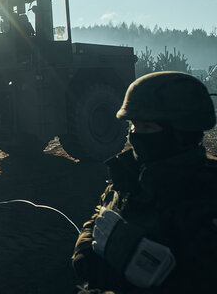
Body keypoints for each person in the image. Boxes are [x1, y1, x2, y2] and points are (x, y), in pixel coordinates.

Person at [72, 71, 217, 293]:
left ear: (182, 132)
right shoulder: (130, 172)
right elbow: (102, 212)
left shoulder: (205, 192)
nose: (135, 135)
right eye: (133, 126)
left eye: (147, 127)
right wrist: (86, 243)